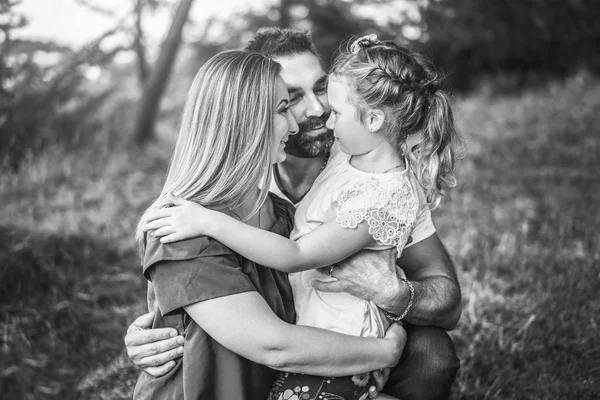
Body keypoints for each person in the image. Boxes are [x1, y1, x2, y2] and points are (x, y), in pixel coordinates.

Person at [126, 28, 462, 400]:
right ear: (245, 115)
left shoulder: (371, 172)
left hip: (333, 347)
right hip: (280, 361)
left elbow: (447, 303)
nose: (317, 112)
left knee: (432, 352)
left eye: (322, 90)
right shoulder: (226, 205)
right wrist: (154, 328)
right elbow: (252, 326)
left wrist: (394, 294)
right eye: (289, 101)